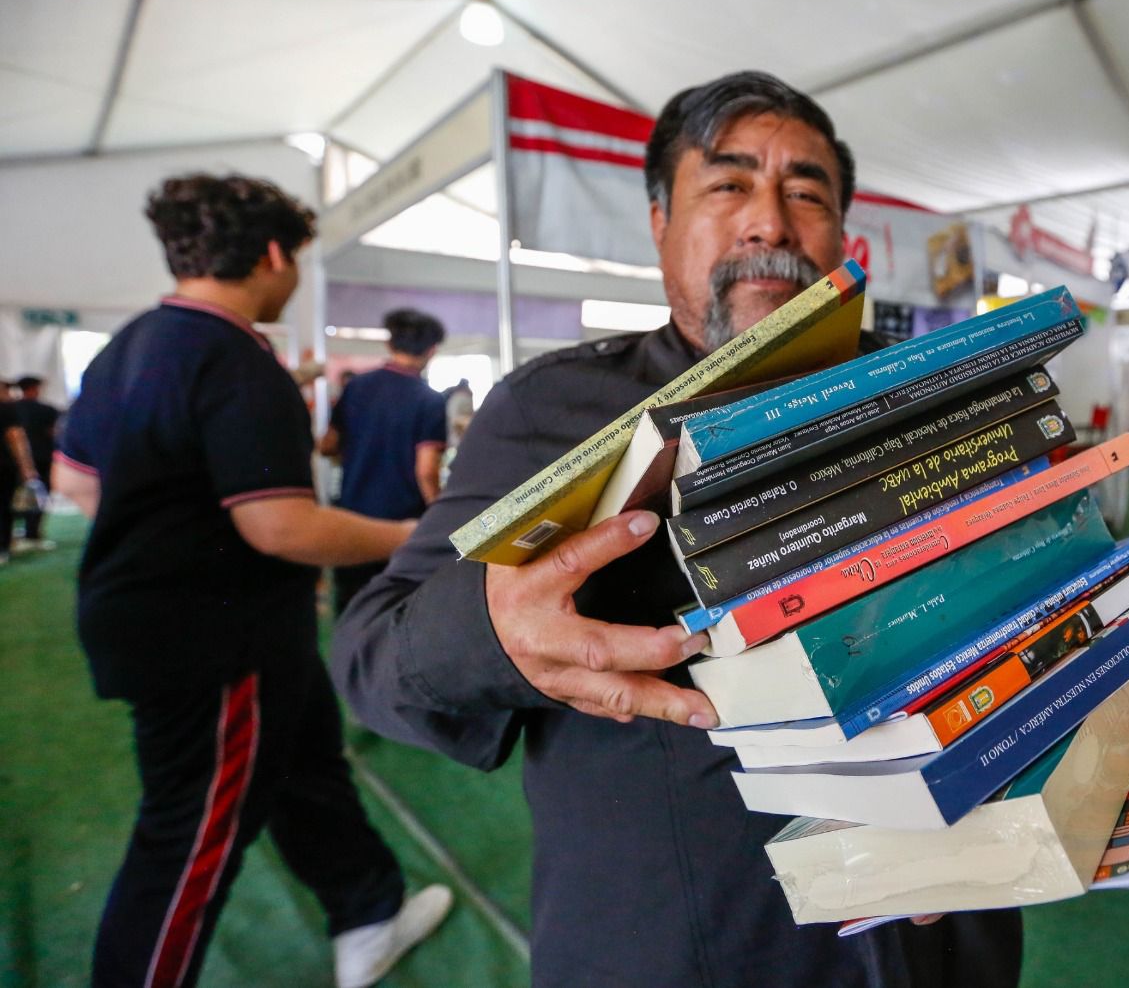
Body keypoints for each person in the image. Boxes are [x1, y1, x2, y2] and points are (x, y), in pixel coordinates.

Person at [333, 71, 1023, 988]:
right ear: (659, 221)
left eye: (807, 193)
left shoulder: (940, 392)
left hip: (938, 934)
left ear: (841, 234)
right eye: (729, 184)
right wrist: (490, 631)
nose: (770, 223)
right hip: (686, 946)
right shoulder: (550, 410)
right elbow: (369, 657)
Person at [50, 174, 451, 988]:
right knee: (189, 835)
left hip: (208, 625)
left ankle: (368, 911)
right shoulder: (236, 357)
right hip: (215, 640)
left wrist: (163, 531)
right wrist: (416, 537)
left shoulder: (129, 345)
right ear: (273, 254)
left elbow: (73, 480)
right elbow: (281, 526)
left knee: (307, 762)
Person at [318, 308, 448, 613]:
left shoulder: (355, 387)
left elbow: (327, 445)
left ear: (389, 344)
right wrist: (440, 515)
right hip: (404, 526)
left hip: (353, 519)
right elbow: (426, 471)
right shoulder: (429, 400)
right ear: (432, 350)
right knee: (399, 612)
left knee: (352, 609)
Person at [1, 379, 48, 568]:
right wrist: (27, 467)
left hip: (5, 465)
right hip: (5, 465)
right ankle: (4, 546)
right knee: (4, 506)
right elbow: (17, 438)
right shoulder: (7, 409)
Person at [11, 375, 61, 550]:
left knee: (13, 497)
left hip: (15, 460)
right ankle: (32, 533)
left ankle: (12, 535)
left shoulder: (11, 408)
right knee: (39, 495)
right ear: (34, 388)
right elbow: (54, 433)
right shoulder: (47, 410)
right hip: (42, 457)